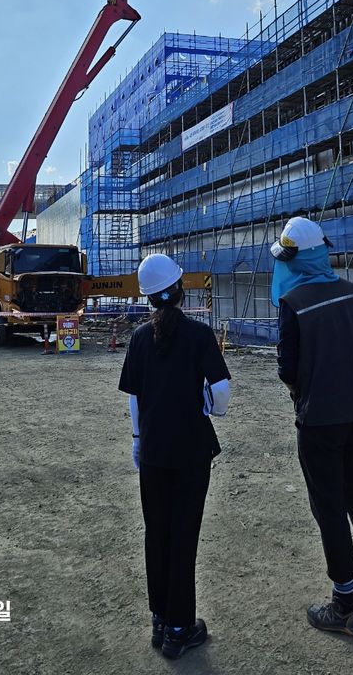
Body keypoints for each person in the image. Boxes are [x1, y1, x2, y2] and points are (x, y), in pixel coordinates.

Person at [271, 216, 353, 638]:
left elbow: (287, 368)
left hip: (319, 417)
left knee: (329, 506)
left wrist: (301, 392)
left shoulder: (295, 304)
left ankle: (344, 603)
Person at [118, 253, 231, 659]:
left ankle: (160, 620)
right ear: (181, 290)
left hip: (152, 451)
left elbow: (135, 396)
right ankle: (181, 627)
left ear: (148, 298)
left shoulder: (139, 338)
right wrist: (208, 408)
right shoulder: (199, 335)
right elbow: (221, 395)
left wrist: (136, 438)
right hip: (191, 451)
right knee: (184, 537)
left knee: (157, 534)